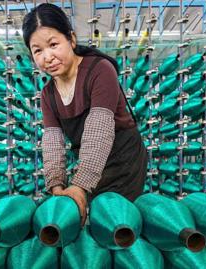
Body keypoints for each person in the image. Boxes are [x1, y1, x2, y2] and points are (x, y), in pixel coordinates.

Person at [22, 3, 147, 223]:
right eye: (38, 50)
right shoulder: (48, 94)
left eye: (53, 44)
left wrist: (80, 184)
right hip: (91, 161)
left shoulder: (99, 70)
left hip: (123, 160)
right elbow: (52, 141)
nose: (47, 57)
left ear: (70, 39)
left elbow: (99, 130)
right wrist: (56, 185)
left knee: (118, 223)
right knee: (92, 222)